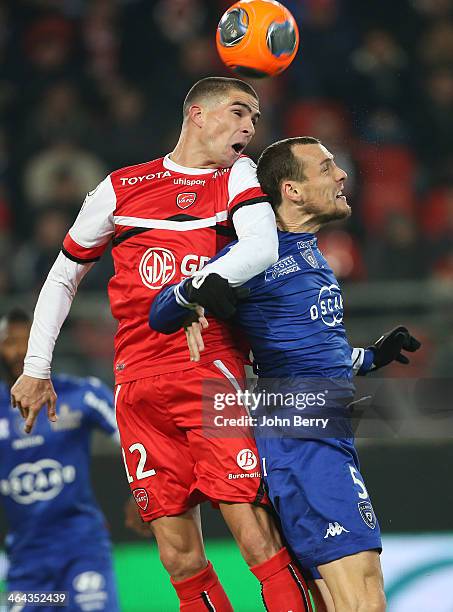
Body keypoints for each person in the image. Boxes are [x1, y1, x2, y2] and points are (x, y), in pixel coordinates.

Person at [11, 78, 315, 611]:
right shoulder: (120, 187)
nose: (249, 127)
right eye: (239, 112)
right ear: (197, 114)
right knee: (179, 558)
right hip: (136, 386)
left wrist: (190, 289)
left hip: (210, 375)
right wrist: (37, 366)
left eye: (256, 118)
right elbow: (63, 276)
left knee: (253, 532)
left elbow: (263, 247)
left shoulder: (237, 176)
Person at [150, 136, 422, 611]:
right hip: (302, 437)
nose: (342, 175)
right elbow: (159, 311)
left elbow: (304, 347)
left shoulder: (309, 252)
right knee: (362, 593)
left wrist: (369, 359)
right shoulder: (256, 255)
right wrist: (195, 291)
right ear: (291, 190)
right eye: (326, 167)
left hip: (315, 429)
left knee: (337, 598)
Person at [0, 308, 120, 611]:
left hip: (82, 549)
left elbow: (132, 436)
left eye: (28, 341)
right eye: (11, 342)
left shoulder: (81, 395)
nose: (19, 351)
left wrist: (146, 492)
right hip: (26, 564)